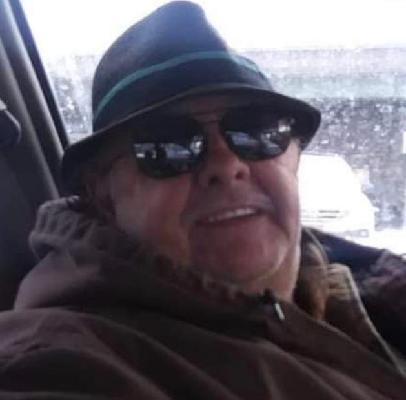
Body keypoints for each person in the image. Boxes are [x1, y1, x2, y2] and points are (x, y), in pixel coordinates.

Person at [0, 1, 405, 399]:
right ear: (102, 194)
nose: (227, 165)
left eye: (258, 131)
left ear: (295, 157)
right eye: (167, 146)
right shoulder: (68, 361)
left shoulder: (361, 275)